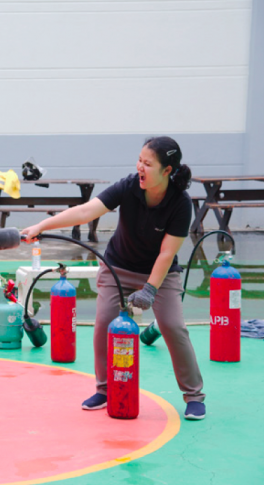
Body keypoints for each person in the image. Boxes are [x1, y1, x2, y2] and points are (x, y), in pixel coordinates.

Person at [20, 136, 206, 420]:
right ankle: (105, 389)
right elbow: (86, 211)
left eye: (148, 164)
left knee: (173, 327)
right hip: (118, 267)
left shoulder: (180, 203)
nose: (140, 167)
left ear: (167, 170)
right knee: (104, 325)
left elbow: (167, 253)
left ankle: (194, 395)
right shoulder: (128, 186)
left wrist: (150, 289)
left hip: (161, 274)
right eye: (139, 160)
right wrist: (41, 225)